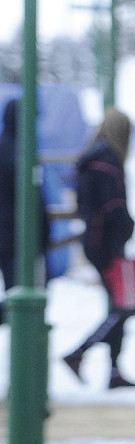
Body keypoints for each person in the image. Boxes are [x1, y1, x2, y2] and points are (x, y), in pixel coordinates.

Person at [61, 107, 135, 389]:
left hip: (97, 241)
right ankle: (79, 354)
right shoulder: (108, 162)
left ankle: (113, 370)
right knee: (122, 307)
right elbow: (114, 207)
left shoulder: (93, 158)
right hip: (106, 244)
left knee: (119, 305)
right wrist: (128, 228)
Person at [0, 97, 50, 323]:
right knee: (21, 297)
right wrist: (44, 235)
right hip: (18, 238)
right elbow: (35, 200)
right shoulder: (23, 154)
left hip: (9, 235)